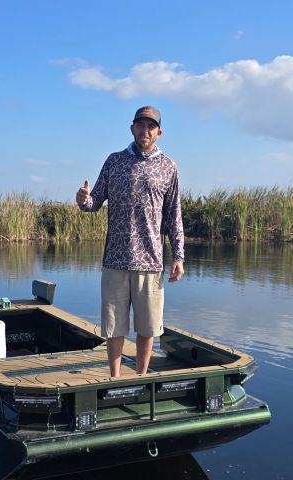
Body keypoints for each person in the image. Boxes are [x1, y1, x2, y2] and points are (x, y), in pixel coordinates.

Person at [76, 106, 184, 377]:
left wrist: (179, 256)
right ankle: (114, 377)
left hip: (150, 261)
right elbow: (95, 201)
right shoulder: (114, 161)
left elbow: (174, 214)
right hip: (115, 258)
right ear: (132, 128)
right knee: (114, 326)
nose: (145, 131)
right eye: (140, 125)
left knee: (148, 327)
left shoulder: (169, 166)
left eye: (151, 126)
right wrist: (83, 200)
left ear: (159, 132)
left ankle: (141, 376)